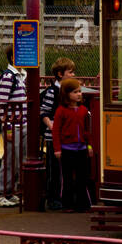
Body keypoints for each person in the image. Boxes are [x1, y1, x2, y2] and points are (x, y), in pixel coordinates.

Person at [40, 55, 76, 211]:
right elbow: (44, 112)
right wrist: (50, 124)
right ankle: (53, 197)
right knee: (54, 169)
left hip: (68, 136)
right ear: (60, 74)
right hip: (54, 137)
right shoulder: (52, 92)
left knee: (67, 168)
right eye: (70, 72)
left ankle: (65, 196)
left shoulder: (71, 91)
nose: (73, 75)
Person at [52, 77, 93, 212]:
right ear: (67, 94)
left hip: (81, 148)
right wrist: (57, 149)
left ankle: (83, 204)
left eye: (80, 91)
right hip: (66, 149)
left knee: (82, 178)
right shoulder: (61, 111)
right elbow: (56, 130)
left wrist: (89, 146)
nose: (79, 94)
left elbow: (87, 131)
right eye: (75, 92)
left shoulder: (83, 110)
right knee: (67, 178)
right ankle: (67, 204)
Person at [0, 47, 26, 208]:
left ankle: (10, 191)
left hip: (22, 123)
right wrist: (7, 128)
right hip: (14, 125)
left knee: (18, 159)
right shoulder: (8, 77)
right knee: (10, 159)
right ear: (13, 57)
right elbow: (2, 104)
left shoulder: (21, 76)